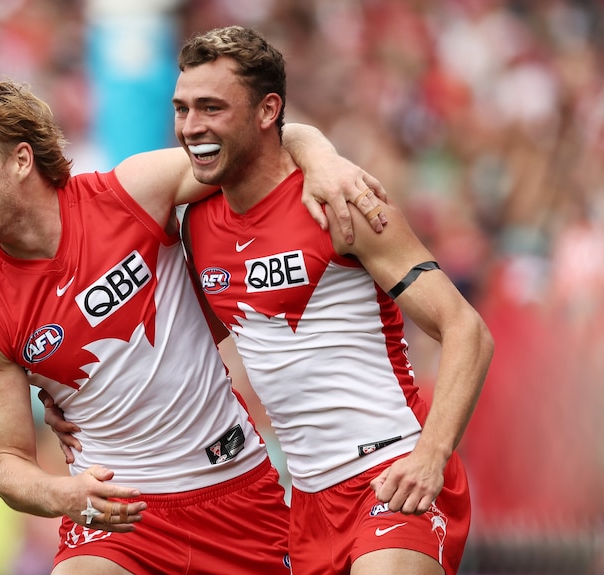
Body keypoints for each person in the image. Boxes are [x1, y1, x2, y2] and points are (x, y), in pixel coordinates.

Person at [0, 78, 387, 575]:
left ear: (21, 160)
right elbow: (7, 461)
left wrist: (322, 156)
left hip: (237, 493)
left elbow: (256, 145)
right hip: (120, 522)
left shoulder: (129, 192)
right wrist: (60, 493)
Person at [176, 26, 494, 575]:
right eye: (181, 109)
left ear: (266, 110)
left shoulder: (340, 201)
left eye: (210, 107)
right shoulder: (197, 224)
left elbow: (467, 329)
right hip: (307, 506)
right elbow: (184, 345)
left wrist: (431, 457)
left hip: (394, 474)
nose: (191, 127)